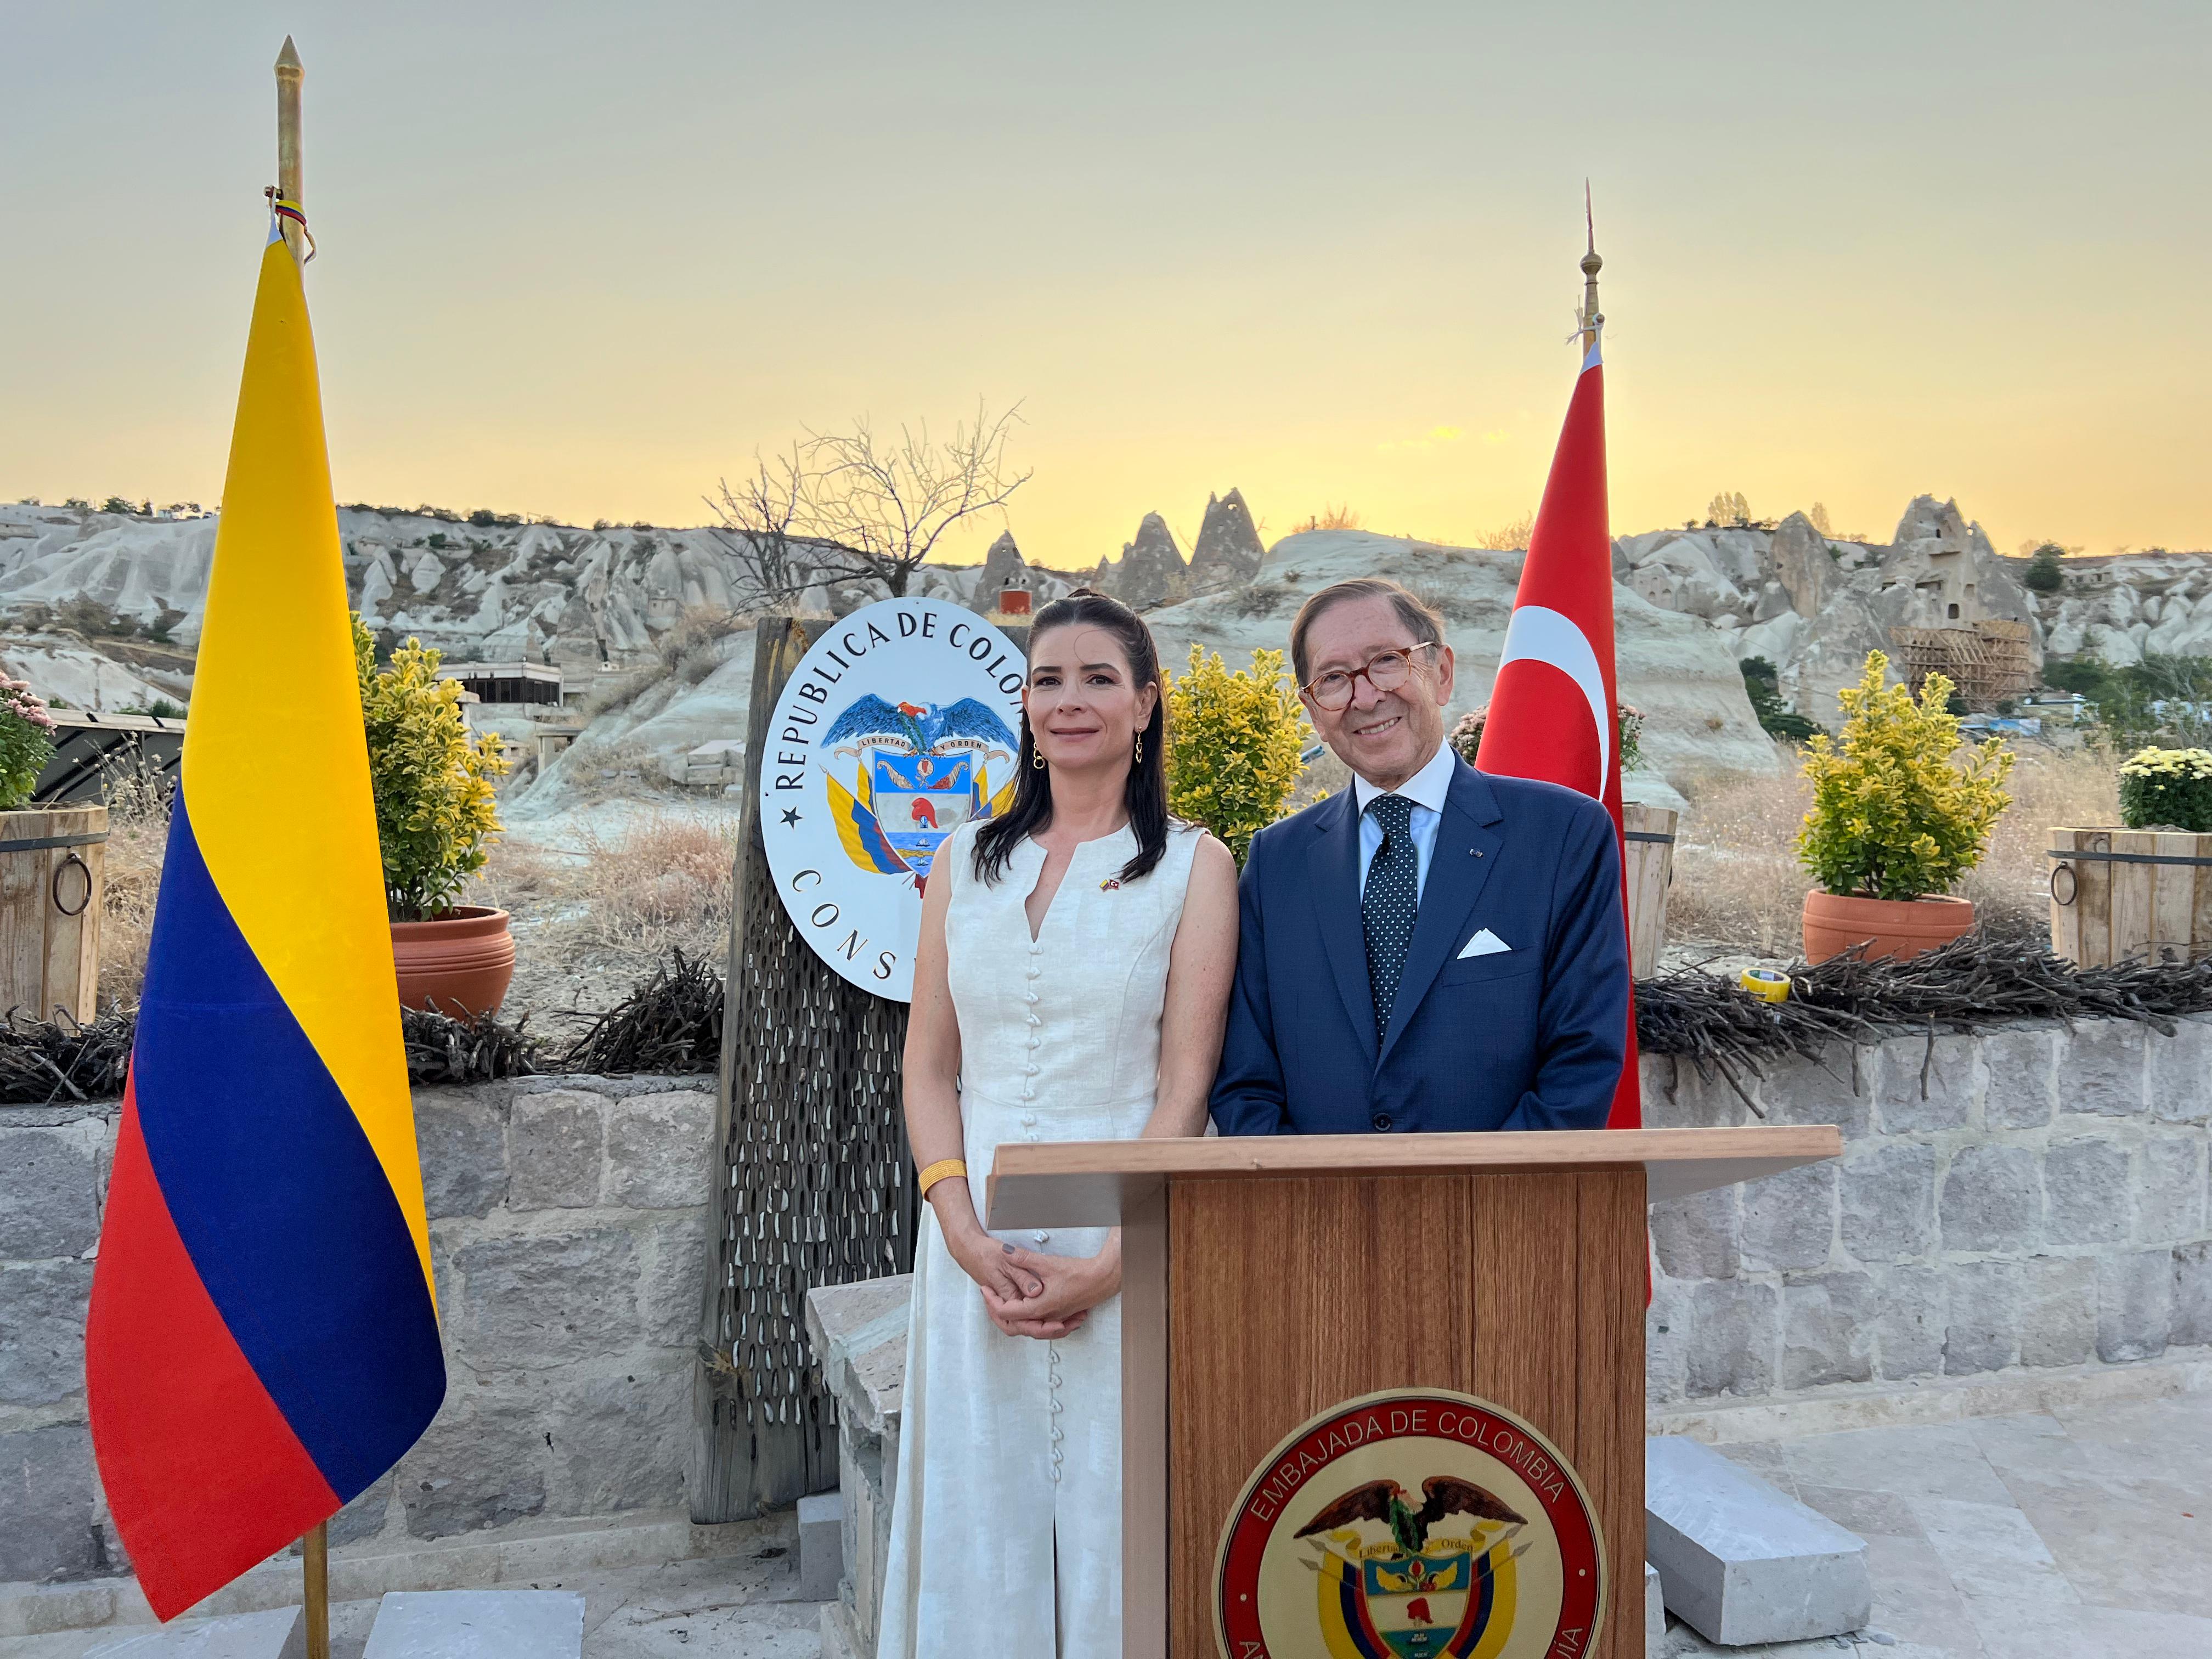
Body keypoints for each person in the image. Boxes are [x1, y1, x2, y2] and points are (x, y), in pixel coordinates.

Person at [878, 590, 1238, 1658]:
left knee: (1113, 1507)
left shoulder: (1195, 866)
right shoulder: (960, 863)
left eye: (1096, 678)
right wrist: (959, 1228)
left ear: (1145, 704)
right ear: (1024, 709)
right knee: (979, 1503)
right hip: (973, 1243)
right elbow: (929, 1066)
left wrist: (1119, 1259)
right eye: (1047, 680)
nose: (1068, 700)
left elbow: (1188, 1088)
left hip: (1128, 1235)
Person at [1210, 577, 1628, 1136]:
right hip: (1317, 1215)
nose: (1365, 696)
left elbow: (1582, 1062)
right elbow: (1246, 1081)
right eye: (1334, 679)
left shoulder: (1563, 836)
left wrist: (1464, 1213)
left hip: (1501, 1214)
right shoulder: (1274, 864)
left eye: (1386, 661)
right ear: (1314, 711)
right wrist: (1314, 1213)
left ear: (1442, 673)